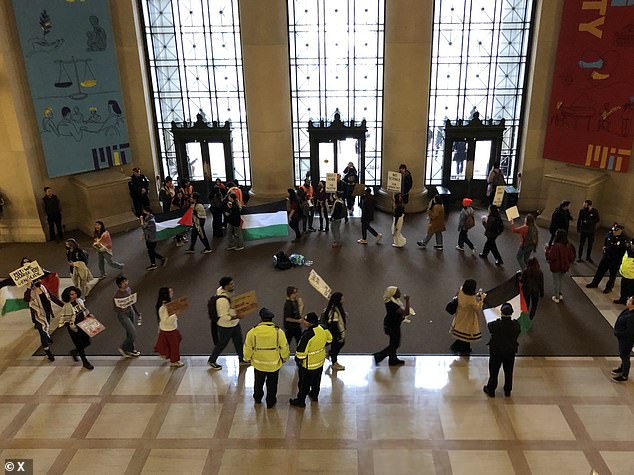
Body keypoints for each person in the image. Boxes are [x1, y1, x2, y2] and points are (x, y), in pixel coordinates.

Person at [243, 307, 290, 408]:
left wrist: (246, 358)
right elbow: (284, 347)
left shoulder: (253, 332)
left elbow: (248, 347)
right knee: (272, 385)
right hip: (274, 364)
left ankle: (258, 398)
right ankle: (270, 401)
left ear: (261, 318)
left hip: (258, 364)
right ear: (271, 319)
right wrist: (285, 358)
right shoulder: (278, 332)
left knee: (258, 383)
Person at [289, 312, 333, 408]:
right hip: (320, 361)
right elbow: (330, 339)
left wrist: (298, 361)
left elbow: (300, 353)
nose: (304, 322)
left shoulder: (308, 335)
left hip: (308, 365)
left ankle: (301, 401)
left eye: (305, 320)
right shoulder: (323, 329)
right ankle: (314, 395)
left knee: (304, 384)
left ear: (310, 323)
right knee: (316, 381)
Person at [208, 276, 249, 370]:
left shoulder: (228, 294)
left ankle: (242, 359)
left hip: (234, 323)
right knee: (222, 343)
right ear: (225, 286)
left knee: (239, 341)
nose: (233, 285)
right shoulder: (222, 300)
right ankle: (212, 360)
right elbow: (224, 316)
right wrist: (237, 316)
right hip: (225, 326)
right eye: (231, 284)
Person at [483, 302, 521, 397]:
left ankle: (491, 389)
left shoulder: (496, 324)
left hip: (496, 351)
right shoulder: (515, 325)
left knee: (494, 371)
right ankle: (507, 390)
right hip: (510, 351)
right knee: (508, 371)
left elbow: (489, 326)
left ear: (501, 312)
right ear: (512, 313)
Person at [24, 278, 64, 362]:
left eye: (39, 279)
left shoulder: (43, 287)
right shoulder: (30, 292)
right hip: (38, 316)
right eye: (36, 280)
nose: (39, 281)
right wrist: (28, 288)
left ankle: (47, 338)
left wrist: (64, 305)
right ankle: (48, 351)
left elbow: (52, 297)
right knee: (42, 333)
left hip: (47, 313)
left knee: (46, 328)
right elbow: (26, 299)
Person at [58, 286, 94, 370]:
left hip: (83, 324)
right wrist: (72, 327)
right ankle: (85, 362)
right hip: (74, 329)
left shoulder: (79, 301)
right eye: (71, 294)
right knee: (80, 345)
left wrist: (89, 315)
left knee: (87, 342)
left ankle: (74, 351)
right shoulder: (67, 307)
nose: (74, 295)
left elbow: (84, 310)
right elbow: (66, 320)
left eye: (74, 293)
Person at [373, 286, 410, 366]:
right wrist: (407, 301)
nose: (399, 293)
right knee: (395, 344)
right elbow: (406, 312)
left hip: (392, 324)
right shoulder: (392, 304)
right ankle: (378, 356)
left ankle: (393, 360)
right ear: (393, 293)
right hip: (392, 325)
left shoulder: (394, 302)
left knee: (393, 342)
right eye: (398, 291)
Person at [586, 224, 628, 294]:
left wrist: (619, 260)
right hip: (606, 257)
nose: (614, 231)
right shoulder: (610, 234)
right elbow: (606, 241)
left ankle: (609, 287)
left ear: (621, 230)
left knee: (612, 275)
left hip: (614, 260)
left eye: (616, 230)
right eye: (614, 230)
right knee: (600, 271)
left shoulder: (623, 240)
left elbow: (623, 251)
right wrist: (604, 247)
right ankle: (594, 283)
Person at [450, 279, 485, 355]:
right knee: (466, 332)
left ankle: (462, 347)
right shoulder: (471, 299)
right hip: (468, 317)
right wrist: (482, 298)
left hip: (460, 314)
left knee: (461, 329)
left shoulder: (460, 291)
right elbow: (477, 307)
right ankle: (464, 348)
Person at [153, 287, 184, 367]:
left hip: (169, 329)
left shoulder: (166, 305)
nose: (172, 293)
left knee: (174, 342)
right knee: (174, 345)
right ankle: (174, 361)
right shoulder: (163, 308)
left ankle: (167, 354)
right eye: (170, 292)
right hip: (169, 330)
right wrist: (175, 315)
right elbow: (165, 320)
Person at [113, 276, 141, 358]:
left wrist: (137, 312)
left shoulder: (128, 289)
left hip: (130, 311)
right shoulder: (117, 295)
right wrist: (121, 308)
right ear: (119, 285)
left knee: (129, 332)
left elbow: (132, 301)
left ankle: (131, 349)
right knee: (133, 333)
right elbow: (115, 308)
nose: (126, 283)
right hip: (122, 315)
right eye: (123, 282)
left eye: (126, 281)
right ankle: (123, 347)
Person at [546, 229, 576, 303]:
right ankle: (560, 294)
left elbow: (551, 257)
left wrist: (547, 251)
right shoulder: (568, 245)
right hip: (564, 266)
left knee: (556, 281)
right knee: (560, 280)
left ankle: (556, 297)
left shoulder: (556, 246)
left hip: (556, 266)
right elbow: (571, 257)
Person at [611, 296, 634, 382]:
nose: (627, 300)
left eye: (630, 300)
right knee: (622, 354)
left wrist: (619, 334)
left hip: (627, 340)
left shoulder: (632, 317)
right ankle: (622, 368)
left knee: (625, 356)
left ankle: (624, 375)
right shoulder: (628, 310)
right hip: (622, 338)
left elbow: (630, 332)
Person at [322, 291, 347, 370]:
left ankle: (332, 358)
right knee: (336, 346)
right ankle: (334, 363)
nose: (344, 300)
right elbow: (334, 324)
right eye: (342, 298)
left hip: (335, 333)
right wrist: (338, 335)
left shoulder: (336, 309)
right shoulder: (334, 311)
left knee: (336, 346)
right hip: (335, 333)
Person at [614, 240, 634, 305]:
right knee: (623, 289)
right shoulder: (628, 249)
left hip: (632, 276)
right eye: (631, 244)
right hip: (624, 273)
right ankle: (622, 300)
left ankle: (631, 305)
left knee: (631, 292)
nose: (632, 246)